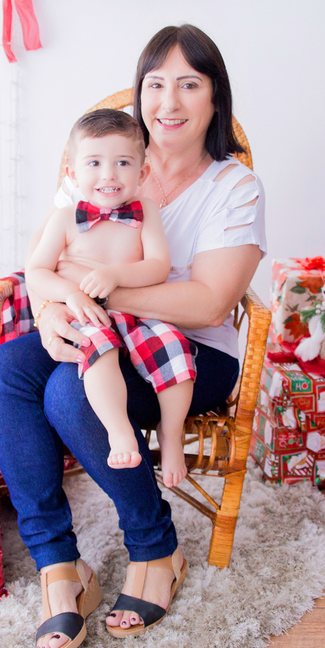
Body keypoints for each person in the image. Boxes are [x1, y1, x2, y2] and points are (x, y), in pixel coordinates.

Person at [0, 24, 265, 648]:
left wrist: (103, 296)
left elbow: (210, 302)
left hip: (191, 352)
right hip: (96, 327)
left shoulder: (234, 187)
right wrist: (51, 313)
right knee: (6, 370)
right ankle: (60, 567)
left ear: (215, 97)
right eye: (156, 84)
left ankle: (155, 548)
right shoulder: (100, 164)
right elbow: (45, 263)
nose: (169, 101)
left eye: (189, 84)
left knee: (70, 392)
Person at [25, 109, 195, 486]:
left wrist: (116, 275)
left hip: (139, 311)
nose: (109, 175)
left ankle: (172, 433)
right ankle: (119, 430)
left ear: (142, 172)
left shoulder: (145, 212)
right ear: (72, 174)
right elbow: (36, 271)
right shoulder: (65, 218)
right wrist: (70, 295)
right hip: (90, 316)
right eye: (94, 163)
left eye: (122, 163)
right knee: (98, 353)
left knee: (175, 349)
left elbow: (159, 266)